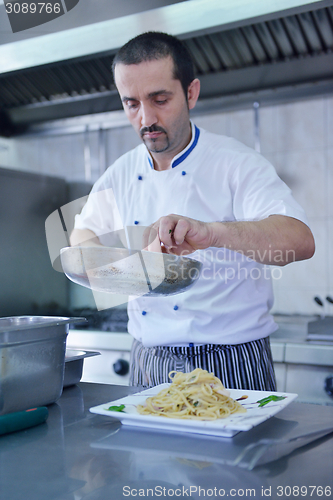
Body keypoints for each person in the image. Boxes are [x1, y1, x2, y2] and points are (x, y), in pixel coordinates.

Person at [71, 32, 315, 390]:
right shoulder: (119, 174)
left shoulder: (236, 163)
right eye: (131, 104)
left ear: (191, 93)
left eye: (159, 99)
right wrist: (132, 263)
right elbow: (81, 241)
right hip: (150, 361)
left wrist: (214, 233)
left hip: (233, 360)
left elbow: (299, 240)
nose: (146, 119)